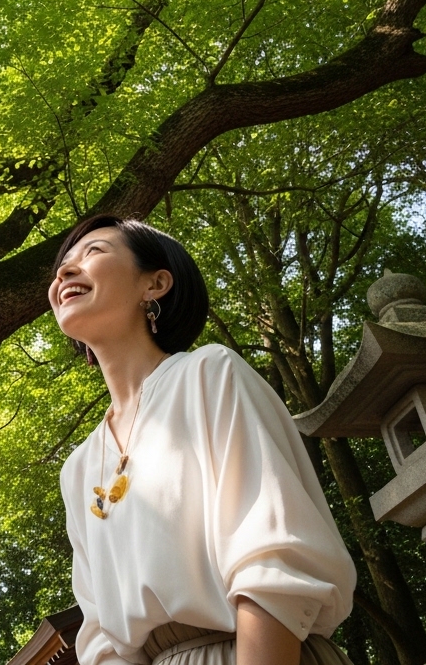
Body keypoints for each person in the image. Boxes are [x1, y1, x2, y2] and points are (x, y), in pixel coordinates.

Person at [49, 214, 356, 665]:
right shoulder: (78, 467)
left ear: (154, 284)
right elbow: (99, 635)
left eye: (93, 252)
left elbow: (274, 561)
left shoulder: (209, 375)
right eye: (62, 265)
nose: (65, 272)